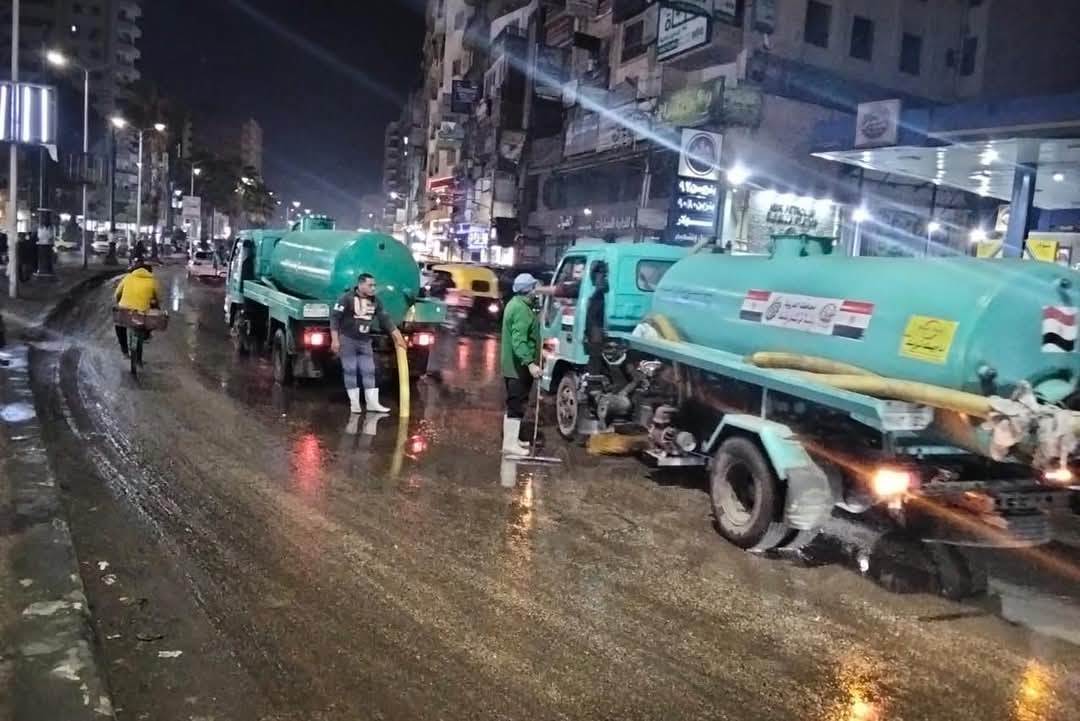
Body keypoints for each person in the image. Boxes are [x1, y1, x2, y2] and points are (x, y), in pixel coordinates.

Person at [331, 273, 406, 414]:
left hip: (364, 341)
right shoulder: (346, 298)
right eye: (370, 285)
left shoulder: (375, 301)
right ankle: (354, 404)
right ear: (361, 285)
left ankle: (372, 403)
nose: (373, 288)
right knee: (350, 370)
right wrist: (335, 340)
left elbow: (385, 320)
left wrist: (398, 337)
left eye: (374, 285)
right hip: (348, 340)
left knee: (369, 371)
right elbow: (335, 319)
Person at [500, 273, 543, 454]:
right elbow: (519, 342)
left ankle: (512, 439)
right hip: (518, 367)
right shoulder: (521, 310)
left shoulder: (516, 304)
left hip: (513, 366)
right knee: (516, 404)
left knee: (515, 402)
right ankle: (509, 445)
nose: (536, 290)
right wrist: (530, 363)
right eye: (534, 287)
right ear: (528, 290)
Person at [113, 262, 161, 357]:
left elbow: (117, 293)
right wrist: (156, 304)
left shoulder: (128, 277)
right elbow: (158, 298)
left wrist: (119, 301)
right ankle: (146, 335)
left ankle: (124, 350)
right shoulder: (153, 281)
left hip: (125, 311)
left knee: (119, 326)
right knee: (151, 315)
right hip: (141, 313)